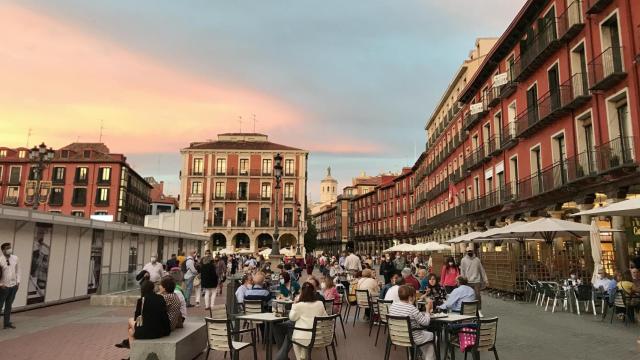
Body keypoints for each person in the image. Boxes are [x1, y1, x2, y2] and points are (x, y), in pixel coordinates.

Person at [115, 280, 171, 349]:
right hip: (159, 332)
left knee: (130, 327)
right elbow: (164, 315)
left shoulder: (141, 300)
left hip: (146, 333)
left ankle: (132, 354)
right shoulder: (160, 298)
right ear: (153, 288)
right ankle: (131, 350)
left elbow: (136, 318)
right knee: (133, 329)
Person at [388, 285, 436, 360]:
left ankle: (415, 357)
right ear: (410, 297)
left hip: (397, 336)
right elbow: (426, 322)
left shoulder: (393, 306)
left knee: (425, 336)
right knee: (433, 336)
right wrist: (427, 311)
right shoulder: (411, 308)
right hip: (413, 338)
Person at [290, 283, 329, 360]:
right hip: (318, 337)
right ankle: (303, 354)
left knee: (295, 339)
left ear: (302, 292)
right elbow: (326, 318)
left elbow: (292, 318)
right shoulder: (320, 303)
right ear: (313, 292)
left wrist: (294, 304)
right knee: (307, 331)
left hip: (303, 338)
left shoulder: (298, 305)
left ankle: (299, 359)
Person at [0, 242, 20, 329]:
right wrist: (0, 284)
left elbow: (18, 270)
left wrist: (18, 282)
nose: (10, 249)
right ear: (3, 250)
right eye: (7, 248)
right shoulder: (0, 260)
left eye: (10, 247)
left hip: (13, 286)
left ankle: (7, 323)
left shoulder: (15, 258)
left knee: (9, 305)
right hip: (3, 287)